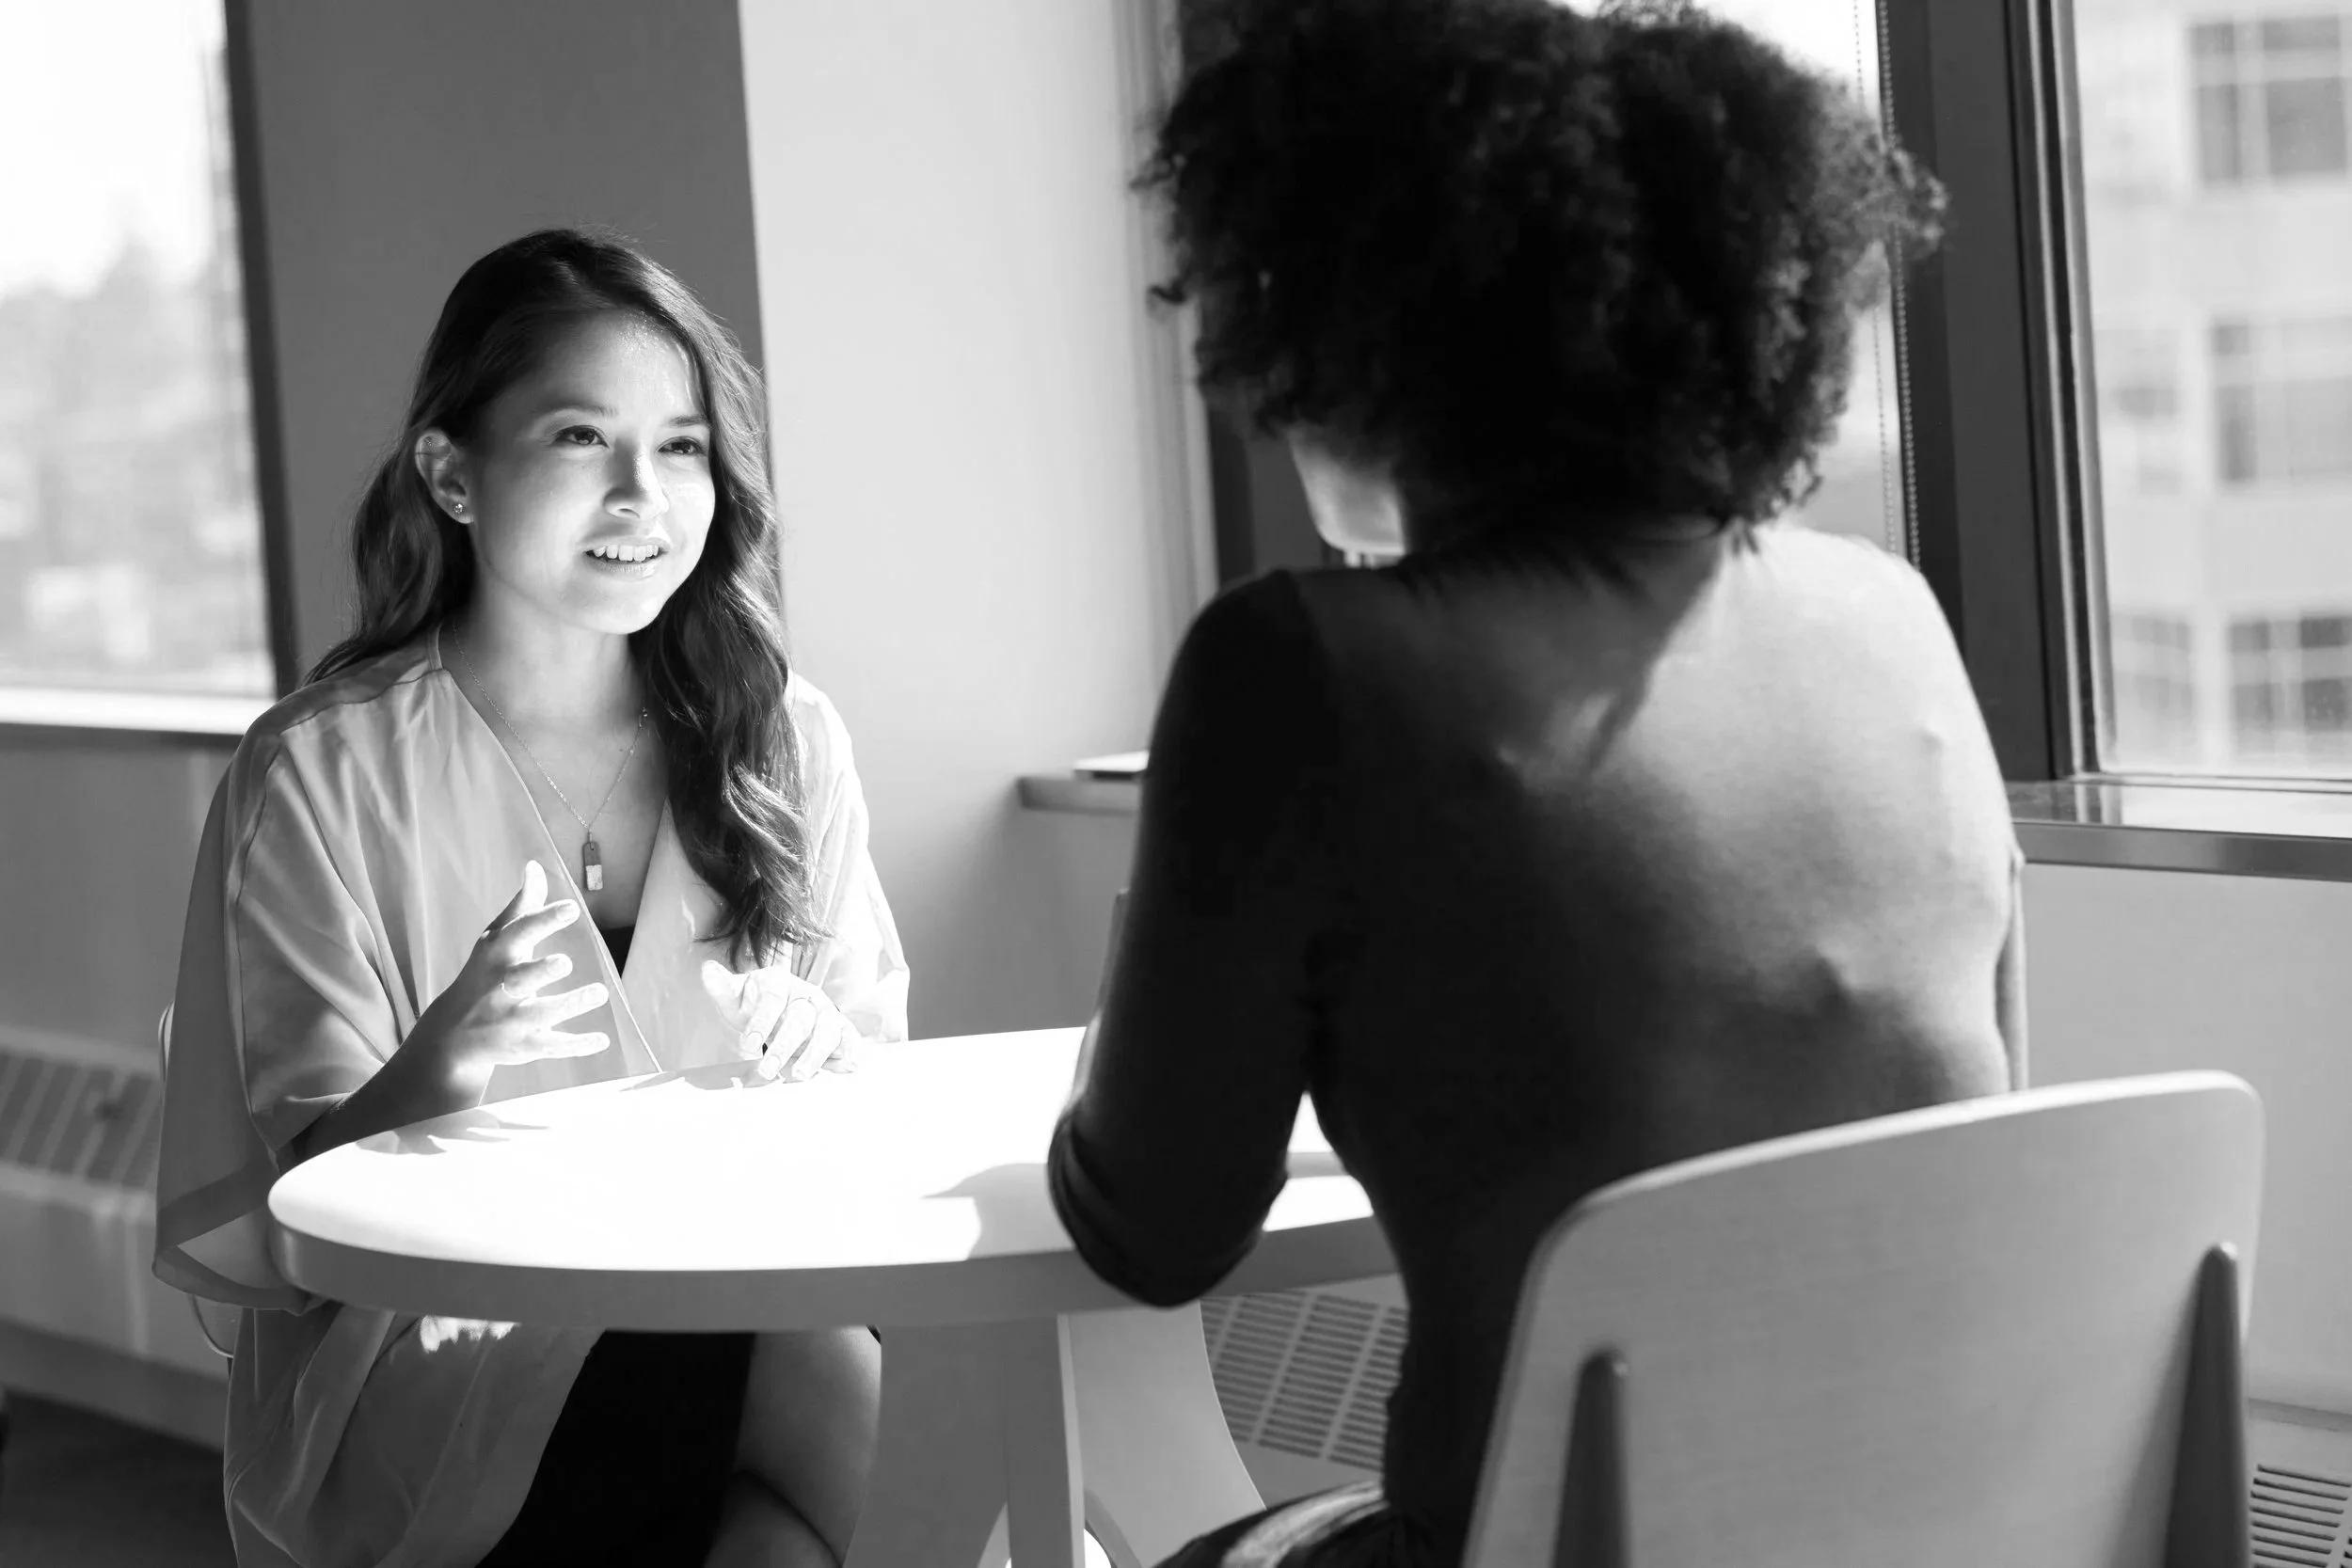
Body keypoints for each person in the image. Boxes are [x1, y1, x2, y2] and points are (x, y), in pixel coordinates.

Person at [1047, 2, 2023, 1564]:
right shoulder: (1891, 621)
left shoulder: (1301, 664)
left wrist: (1135, 1037)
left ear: (1346, 325)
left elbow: (1152, 1230)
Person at [154, 229, 908, 1568]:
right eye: (579, 438)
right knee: (839, 1420)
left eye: (681, 446)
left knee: (847, 1436)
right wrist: (435, 1072)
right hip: (430, 1371)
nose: (643, 494)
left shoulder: (785, 738)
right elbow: (300, 1216)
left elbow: (875, 1101)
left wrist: (825, 1055)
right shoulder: (320, 771)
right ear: (451, 473)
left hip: (750, 1320)